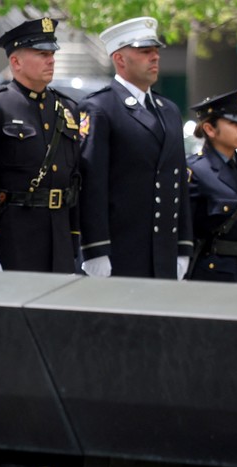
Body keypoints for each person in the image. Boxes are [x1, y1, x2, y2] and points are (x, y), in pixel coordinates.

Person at [0, 18, 81, 273]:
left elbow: (74, 182)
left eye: (52, 54)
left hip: (59, 239)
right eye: (42, 54)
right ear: (16, 62)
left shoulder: (66, 108)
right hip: (14, 239)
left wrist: (73, 239)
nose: (51, 60)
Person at [79, 17, 192, 279]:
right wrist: (95, 249)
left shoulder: (169, 110)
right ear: (119, 59)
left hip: (163, 250)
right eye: (145, 51)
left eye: (156, 51)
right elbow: (92, 184)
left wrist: (183, 245)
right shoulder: (100, 107)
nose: (155, 57)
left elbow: (178, 182)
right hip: (121, 251)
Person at [185, 90, 237, 283]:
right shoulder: (195, 171)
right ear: (210, 129)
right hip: (212, 275)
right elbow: (185, 230)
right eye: (234, 123)